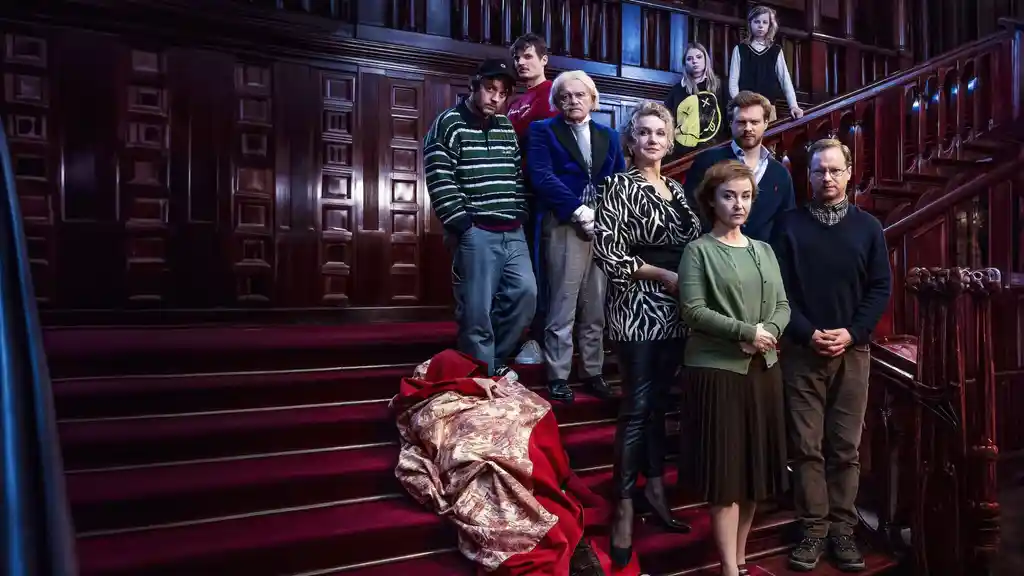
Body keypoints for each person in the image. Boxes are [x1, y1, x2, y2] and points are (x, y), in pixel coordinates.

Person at [770, 138, 892, 572]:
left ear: (849, 173)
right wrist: (807, 333)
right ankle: (813, 530)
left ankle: (842, 530)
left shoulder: (868, 227)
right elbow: (778, 289)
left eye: (835, 170)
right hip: (802, 351)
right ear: (808, 175)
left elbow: (880, 287)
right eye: (819, 170)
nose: (827, 177)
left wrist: (853, 333)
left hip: (852, 352)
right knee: (806, 447)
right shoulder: (788, 225)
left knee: (845, 447)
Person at [593, 100, 701, 568]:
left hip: (677, 311)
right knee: (636, 406)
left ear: (670, 140)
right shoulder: (616, 186)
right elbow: (609, 251)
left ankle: (655, 490)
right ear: (631, 140)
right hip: (636, 306)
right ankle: (623, 507)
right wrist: (660, 274)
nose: (652, 139)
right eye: (643, 132)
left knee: (659, 404)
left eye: (660, 132)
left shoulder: (677, 190)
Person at [677, 159, 791, 576]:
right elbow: (692, 310)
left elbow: (783, 305)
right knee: (726, 479)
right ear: (712, 200)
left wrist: (766, 333)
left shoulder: (764, 250)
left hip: (764, 371)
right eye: (729, 196)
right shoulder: (698, 250)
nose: (738, 204)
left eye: (745, 196)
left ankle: (740, 562)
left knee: (754, 476)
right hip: (717, 373)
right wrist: (745, 331)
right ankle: (728, 569)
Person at [423, 58, 537, 376]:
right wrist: (461, 223)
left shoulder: (505, 127)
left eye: (502, 93)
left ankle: (491, 360)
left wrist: (520, 211)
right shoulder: (448, 123)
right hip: (475, 229)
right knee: (476, 308)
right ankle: (480, 373)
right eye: (490, 89)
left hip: (512, 228)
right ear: (474, 86)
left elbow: (515, 175)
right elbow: (439, 175)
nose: (495, 98)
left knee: (525, 294)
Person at [527, 70, 625, 402]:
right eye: (565, 96)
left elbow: (618, 179)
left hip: (603, 226)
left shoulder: (609, 135)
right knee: (563, 304)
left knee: (595, 305)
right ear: (556, 101)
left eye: (580, 95)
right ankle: (558, 375)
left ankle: (593, 371)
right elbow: (541, 176)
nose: (573, 101)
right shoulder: (543, 130)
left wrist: (606, 216)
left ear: (593, 99)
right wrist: (578, 211)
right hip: (564, 223)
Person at [506, 33, 560, 357]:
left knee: (540, 268)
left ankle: (538, 337)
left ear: (543, 60)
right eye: (517, 58)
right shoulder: (515, 102)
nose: (521, 63)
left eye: (528, 56)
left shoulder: (552, 93)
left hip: (539, 194)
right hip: (515, 194)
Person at [684, 91, 795, 242]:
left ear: (766, 123)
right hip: (713, 249)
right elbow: (691, 209)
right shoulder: (708, 161)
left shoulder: (780, 173)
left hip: (762, 254)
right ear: (731, 123)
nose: (748, 128)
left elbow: (786, 223)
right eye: (741, 122)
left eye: (754, 122)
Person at [728, 5, 803, 120]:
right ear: (750, 23)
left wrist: (793, 106)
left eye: (765, 22)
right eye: (757, 22)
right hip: (745, 107)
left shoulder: (776, 51)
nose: (760, 25)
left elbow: (785, 80)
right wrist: (738, 104)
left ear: (770, 26)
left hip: (768, 108)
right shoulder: (740, 49)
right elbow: (733, 82)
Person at [664, 42, 728, 162]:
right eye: (689, 59)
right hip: (684, 153)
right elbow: (668, 120)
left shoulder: (720, 86)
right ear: (685, 64)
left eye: (699, 57)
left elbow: (727, 116)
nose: (694, 61)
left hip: (714, 149)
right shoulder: (677, 91)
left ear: (706, 60)